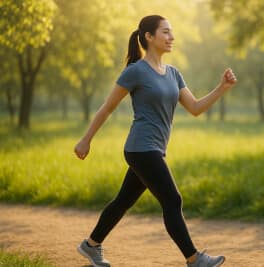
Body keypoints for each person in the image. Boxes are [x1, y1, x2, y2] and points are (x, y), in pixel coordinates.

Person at [74, 15, 237, 267]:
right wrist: (86, 140)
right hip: (141, 148)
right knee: (173, 201)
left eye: (171, 33)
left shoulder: (173, 73)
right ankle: (194, 259)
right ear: (149, 37)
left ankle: (91, 245)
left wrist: (222, 88)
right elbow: (107, 107)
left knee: (123, 201)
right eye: (165, 32)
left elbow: (194, 107)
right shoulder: (135, 71)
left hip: (154, 149)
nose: (171, 37)